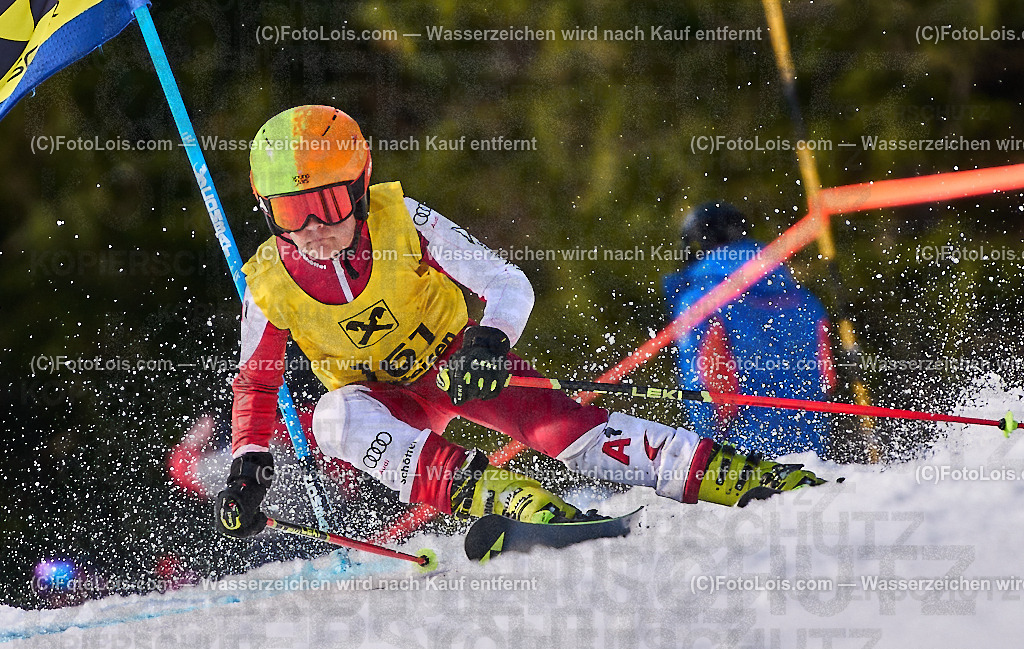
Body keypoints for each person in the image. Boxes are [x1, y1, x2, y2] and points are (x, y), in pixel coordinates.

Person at [214, 106, 827, 540]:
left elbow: (507, 283)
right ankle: (491, 493)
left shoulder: (405, 220)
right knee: (333, 416)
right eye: (290, 211)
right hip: (382, 404)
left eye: (326, 204)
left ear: (360, 183)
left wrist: (489, 340)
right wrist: (247, 464)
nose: (312, 228)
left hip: (458, 365)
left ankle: (727, 473)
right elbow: (256, 384)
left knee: (570, 434)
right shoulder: (267, 283)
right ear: (266, 208)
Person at [662, 201, 836, 458]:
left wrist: (711, 437)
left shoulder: (701, 299)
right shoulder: (805, 298)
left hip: (743, 458)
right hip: (812, 450)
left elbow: (709, 383)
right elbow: (827, 375)